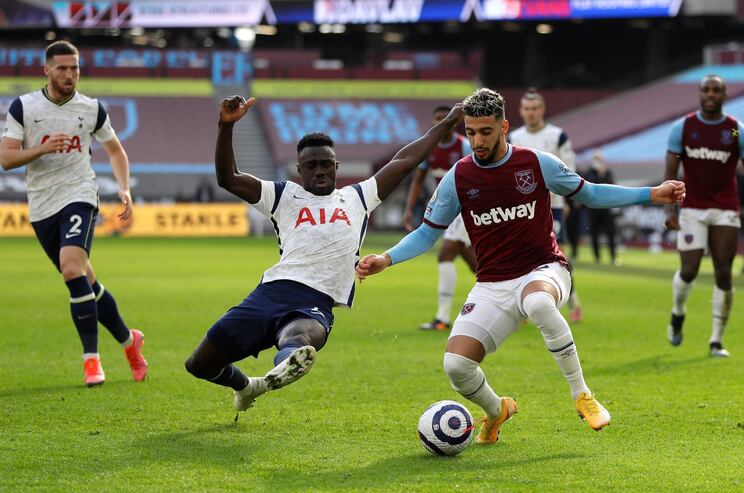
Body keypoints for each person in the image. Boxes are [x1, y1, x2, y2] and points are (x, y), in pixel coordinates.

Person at [357, 88, 686, 443]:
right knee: (456, 367)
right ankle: (497, 410)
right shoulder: (459, 177)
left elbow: (589, 193)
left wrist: (651, 194)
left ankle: (582, 395)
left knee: (539, 303)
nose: (476, 141)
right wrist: (385, 259)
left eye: (485, 131)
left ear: (503, 127)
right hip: (492, 284)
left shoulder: (536, 163)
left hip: (545, 269)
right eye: (470, 132)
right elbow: (426, 234)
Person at [184, 96, 464, 413]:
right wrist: (225, 125)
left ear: (336, 166)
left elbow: (406, 159)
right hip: (269, 293)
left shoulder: (358, 196)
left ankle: (287, 363)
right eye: (312, 165)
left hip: (316, 301)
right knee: (199, 364)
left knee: (301, 336)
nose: (320, 170)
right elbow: (228, 178)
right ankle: (248, 387)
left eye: (326, 163)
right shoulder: (281, 195)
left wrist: (448, 122)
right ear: (299, 169)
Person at [0, 41, 147, 387]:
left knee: (70, 268)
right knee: (85, 281)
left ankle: (91, 361)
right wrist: (42, 148)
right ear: (47, 70)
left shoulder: (92, 109)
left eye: (75, 68)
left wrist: (124, 188)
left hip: (80, 193)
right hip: (41, 205)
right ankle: (130, 341)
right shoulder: (24, 107)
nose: (70, 74)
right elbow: (6, 159)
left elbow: (116, 151)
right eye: (62, 68)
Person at [664, 74, 744, 357]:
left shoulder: (738, 132)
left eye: (717, 90)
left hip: (726, 208)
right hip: (692, 208)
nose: (711, 94)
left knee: (723, 271)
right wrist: (670, 209)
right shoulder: (684, 128)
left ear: (725, 95)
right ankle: (678, 312)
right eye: (706, 90)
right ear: (700, 94)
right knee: (689, 270)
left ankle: (716, 340)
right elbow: (670, 174)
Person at [508, 88, 583, 322]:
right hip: (523, 208)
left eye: (534, 109)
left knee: (556, 255)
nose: (530, 113)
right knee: (525, 254)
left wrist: (568, 200)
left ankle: (570, 296)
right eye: (526, 109)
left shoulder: (558, 136)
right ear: (521, 111)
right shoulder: (514, 137)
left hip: (554, 206)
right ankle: (530, 302)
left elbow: (569, 171)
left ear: (542, 110)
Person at [402, 105, 475, 331]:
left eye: (447, 118)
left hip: (468, 208)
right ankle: (512, 290)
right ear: (433, 122)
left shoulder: (464, 145)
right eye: (438, 118)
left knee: (445, 253)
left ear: (455, 121)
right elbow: (417, 180)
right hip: (450, 210)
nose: (443, 122)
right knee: (473, 260)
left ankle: (442, 318)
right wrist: (408, 210)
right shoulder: (430, 149)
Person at [583, 149, 619, 265]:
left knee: (610, 233)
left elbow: (611, 186)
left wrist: (602, 175)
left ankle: (613, 257)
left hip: (606, 207)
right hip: (593, 208)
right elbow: (589, 187)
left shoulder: (607, 172)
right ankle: (597, 257)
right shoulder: (589, 172)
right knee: (594, 233)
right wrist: (599, 175)